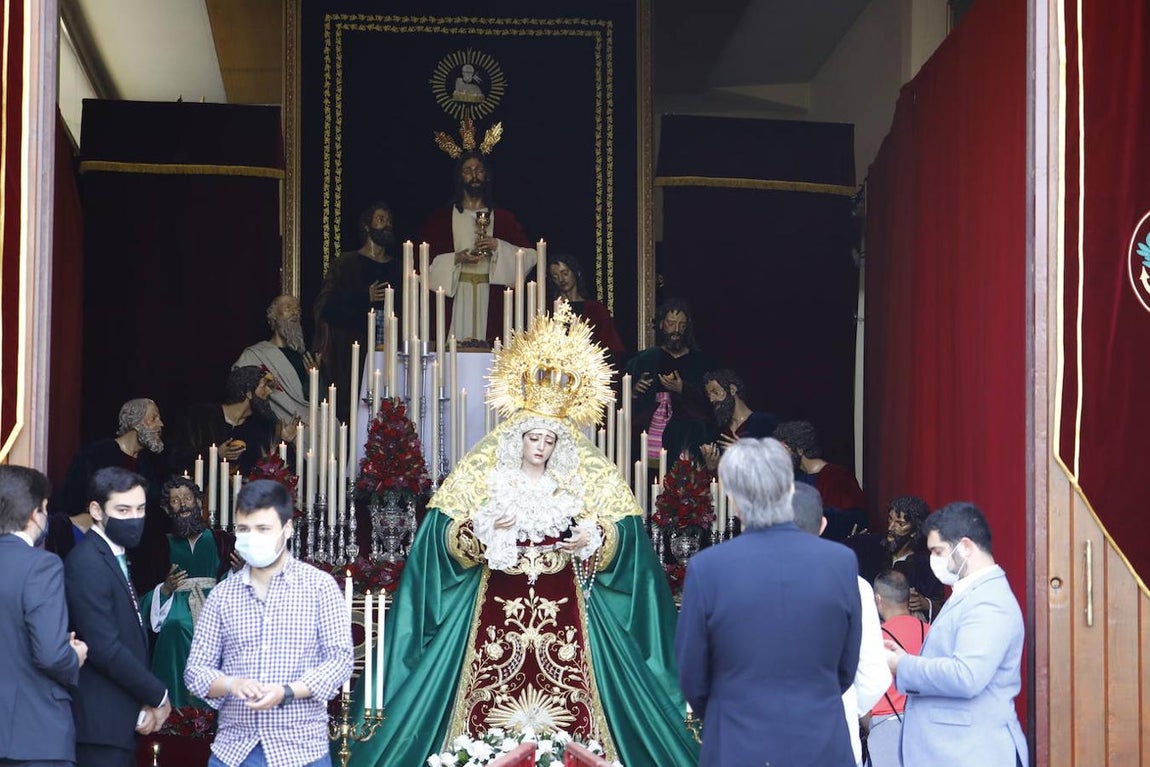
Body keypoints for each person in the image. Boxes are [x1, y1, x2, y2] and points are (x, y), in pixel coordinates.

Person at [354, 302, 698, 766]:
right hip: (493, 605)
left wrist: (594, 538)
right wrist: (480, 533)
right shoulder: (484, 474)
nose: (540, 447)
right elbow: (440, 541)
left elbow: (625, 537)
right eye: (534, 438)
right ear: (519, 437)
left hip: (569, 608)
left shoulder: (581, 476)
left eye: (550, 440)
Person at [675, 437, 861, 767]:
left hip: (736, 742)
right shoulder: (841, 562)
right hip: (820, 741)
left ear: (732, 498)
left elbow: (693, 675)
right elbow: (845, 668)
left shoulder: (708, 568)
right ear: (790, 489)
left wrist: (726, 711)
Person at [184, 479, 353, 767]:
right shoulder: (223, 595)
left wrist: (287, 691)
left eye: (263, 529)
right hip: (234, 751)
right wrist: (230, 683)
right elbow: (196, 672)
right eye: (244, 529)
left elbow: (340, 660)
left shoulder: (319, 587)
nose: (252, 537)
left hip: (301, 750)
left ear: (286, 529)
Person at [885, 502, 1027, 767]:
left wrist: (903, 664)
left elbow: (966, 676)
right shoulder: (969, 592)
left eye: (938, 551)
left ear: (965, 547)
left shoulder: (989, 600)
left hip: (971, 753)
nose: (933, 560)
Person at [66, 467, 171, 767]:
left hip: (116, 723)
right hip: (98, 729)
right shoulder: (87, 562)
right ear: (96, 510)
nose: (134, 519)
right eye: (123, 509)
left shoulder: (113, 556)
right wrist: (157, 694)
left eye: (140, 509)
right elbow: (104, 646)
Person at [791, 483, 890, 767]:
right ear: (822, 524)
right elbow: (874, 674)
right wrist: (846, 703)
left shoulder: (747, 579)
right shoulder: (854, 585)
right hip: (832, 730)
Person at [0, 465, 88, 767]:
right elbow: (50, 655)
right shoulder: (41, 565)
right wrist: (73, 655)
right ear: (35, 514)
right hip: (34, 734)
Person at [139, 477, 238, 708]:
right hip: (175, 607)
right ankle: (176, 713)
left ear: (198, 502)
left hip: (215, 605)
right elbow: (142, 589)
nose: (182, 504)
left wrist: (237, 572)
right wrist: (165, 588)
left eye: (187, 498)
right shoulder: (158, 545)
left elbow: (234, 580)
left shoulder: (221, 540)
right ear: (167, 508)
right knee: (175, 625)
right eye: (175, 501)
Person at [423, 150, 535, 343]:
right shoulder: (442, 219)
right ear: (460, 177)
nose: (474, 175)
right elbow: (422, 265)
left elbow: (531, 256)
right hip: (457, 295)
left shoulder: (502, 218)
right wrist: (456, 258)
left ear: (487, 175)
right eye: (467, 170)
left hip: (490, 297)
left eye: (479, 170)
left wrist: (498, 245)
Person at [49, 398, 168, 561]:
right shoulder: (97, 455)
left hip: (138, 554)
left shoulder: (149, 464)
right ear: (135, 422)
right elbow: (72, 500)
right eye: (154, 418)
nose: (160, 424)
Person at [313, 201, 403, 406]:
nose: (387, 224)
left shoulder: (397, 267)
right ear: (366, 226)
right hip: (353, 353)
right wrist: (364, 297)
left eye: (389, 220)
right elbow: (326, 307)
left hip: (390, 347)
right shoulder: (346, 263)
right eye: (381, 219)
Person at [625, 299, 717, 463]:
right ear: (661, 325)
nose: (676, 330)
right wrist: (633, 391)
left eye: (681, 325)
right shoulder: (644, 360)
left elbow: (712, 404)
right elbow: (621, 399)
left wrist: (683, 389)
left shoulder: (701, 362)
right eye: (671, 323)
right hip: (648, 441)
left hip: (688, 439)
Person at [867, 570, 930, 767]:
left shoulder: (871, 640)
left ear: (877, 599)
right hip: (927, 724)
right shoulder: (931, 632)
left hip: (885, 726)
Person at [170, 366, 280, 476]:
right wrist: (216, 454)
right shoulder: (200, 417)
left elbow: (270, 464)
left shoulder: (262, 425)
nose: (268, 392)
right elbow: (178, 458)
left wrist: (283, 438)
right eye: (264, 386)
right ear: (248, 392)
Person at [773, 420, 869, 541]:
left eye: (785, 449)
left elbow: (853, 519)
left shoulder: (836, 476)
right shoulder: (796, 478)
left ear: (800, 450)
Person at [235, 294, 320, 430]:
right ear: (273, 316)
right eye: (288, 307)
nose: (295, 312)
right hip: (272, 426)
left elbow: (314, 401)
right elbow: (239, 389)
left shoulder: (304, 357)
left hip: (307, 421)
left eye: (298, 310)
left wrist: (314, 379)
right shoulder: (256, 355)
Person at [545, 253, 625, 361]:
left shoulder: (596, 310)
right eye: (555, 277)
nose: (561, 279)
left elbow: (611, 348)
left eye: (565, 273)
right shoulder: (551, 310)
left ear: (576, 272)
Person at [699, 368, 779, 473]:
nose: (712, 399)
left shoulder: (766, 424)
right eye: (709, 395)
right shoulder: (717, 434)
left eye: (715, 392)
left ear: (732, 389)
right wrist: (712, 467)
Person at [881, 495, 945, 621]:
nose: (890, 528)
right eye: (890, 519)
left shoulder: (926, 567)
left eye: (900, 524)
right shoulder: (873, 553)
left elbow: (943, 608)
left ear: (914, 531)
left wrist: (926, 604)